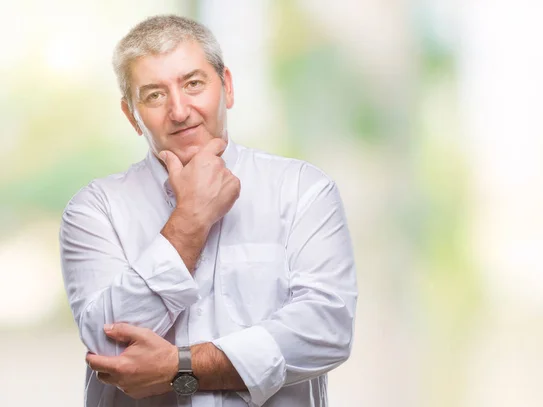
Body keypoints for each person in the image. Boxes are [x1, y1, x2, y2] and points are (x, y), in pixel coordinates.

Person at [60, 14, 357, 407]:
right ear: (132, 115)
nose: (179, 111)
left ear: (227, 87)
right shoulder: (94, 210)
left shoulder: (304, 190)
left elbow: (326, 330)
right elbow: (109, 347)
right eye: (154, 95)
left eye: (193, 84)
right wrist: (192, 218)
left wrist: (180, 367)